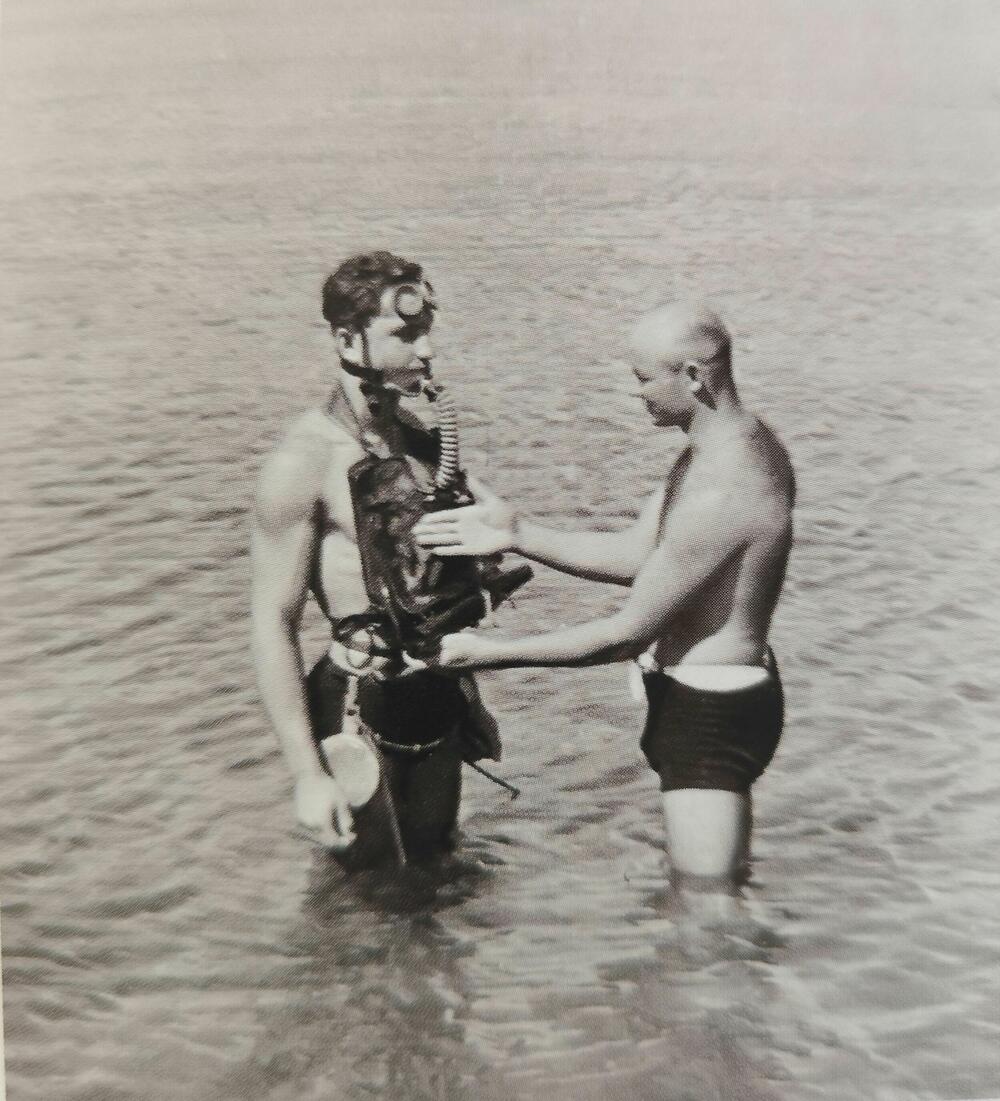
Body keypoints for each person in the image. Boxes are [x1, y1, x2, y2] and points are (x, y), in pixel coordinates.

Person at [414, 302, 795, 881]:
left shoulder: (725, 485)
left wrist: (488, 655)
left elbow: (623, 635)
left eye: (644, 379)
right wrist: (517, 534)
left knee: (706, 910)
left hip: (710, 714)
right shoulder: (728, 448)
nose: (636, 395)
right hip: (709, 697)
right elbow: (645, 559)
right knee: (707, 899)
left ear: (694, 376)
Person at [251, 251, 503, 865]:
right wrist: (307, 774)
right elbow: (271, 624)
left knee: (436, 878)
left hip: (435, 699)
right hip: (358, 706)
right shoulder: (303, 460)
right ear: (347, 338)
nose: (426, 351)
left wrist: (470, 698)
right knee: (363, 900)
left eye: (427, 331)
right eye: (405, 333)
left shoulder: (421, 441)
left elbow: (436, 591)